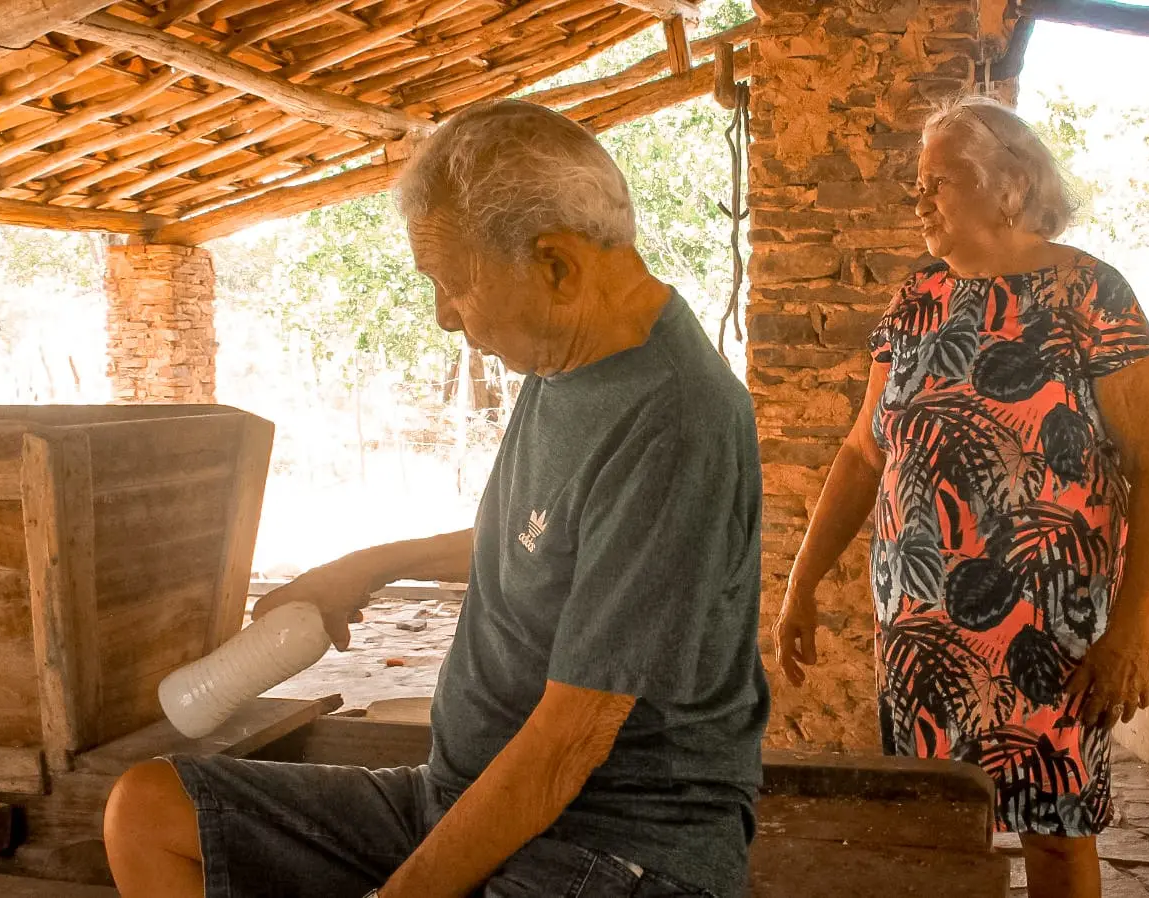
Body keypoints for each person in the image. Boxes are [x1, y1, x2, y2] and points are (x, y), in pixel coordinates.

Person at [104, 99, 770, 898]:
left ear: (555, 265)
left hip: (615, 841)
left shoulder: (677, 418)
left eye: (454, 286)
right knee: (150, 811)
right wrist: (372, 565)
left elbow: (568, 741)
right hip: (460, 792)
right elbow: (544, 537)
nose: (444, 318)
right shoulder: (568, 353)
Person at [772, 95, 1149, 898]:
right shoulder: (916, 301)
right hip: (922, 630)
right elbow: (864, 451)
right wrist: (803, 578)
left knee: (1057, 837)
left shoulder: (1091, 295)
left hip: (1051, 634)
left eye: (943, 178)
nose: (921, 196)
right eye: (917, 183)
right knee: (930, 826)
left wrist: (1133, 629)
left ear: (1012, 185)